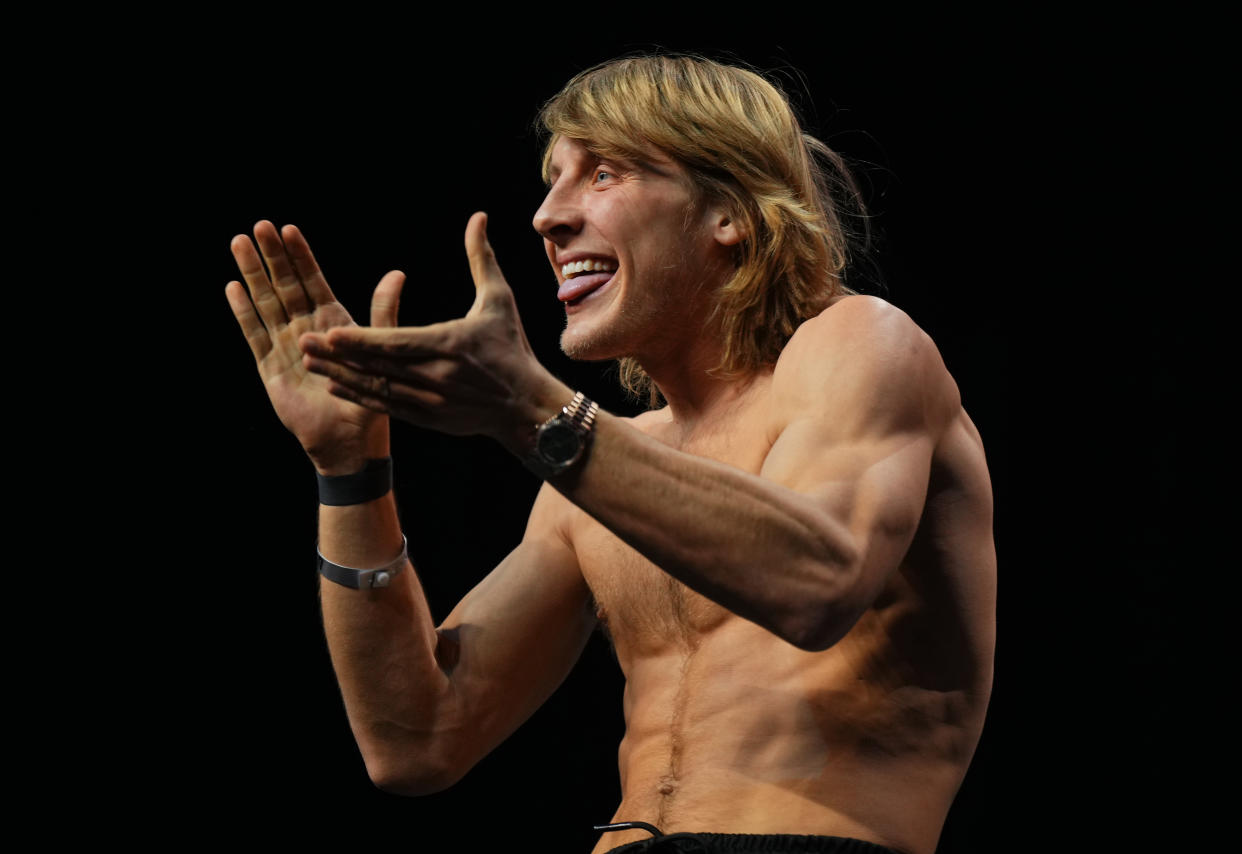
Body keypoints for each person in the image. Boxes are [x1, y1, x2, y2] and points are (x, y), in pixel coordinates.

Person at [225, 55, 995, 854]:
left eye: (603, 174)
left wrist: (531, 408)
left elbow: (819, 582)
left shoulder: (860, 345)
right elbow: (418, 740)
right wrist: (350, 470)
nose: (547, 217)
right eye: (553, 178)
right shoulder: (596, 469)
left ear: (727, 210)